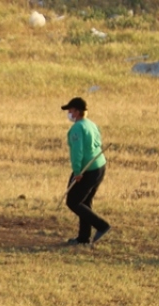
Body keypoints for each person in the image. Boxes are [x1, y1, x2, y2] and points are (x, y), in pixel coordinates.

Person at [61, 97, 110, 245]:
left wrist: (77, 171)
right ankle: (83, 238)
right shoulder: (91, 124)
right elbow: (98, 143)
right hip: (99, 166)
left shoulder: (77, 128)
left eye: (70, 110)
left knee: (73, 201)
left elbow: (77, 151)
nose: (69, 113)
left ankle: (102, 225)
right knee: (85, 202)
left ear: (77, 112)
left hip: (86, 169)